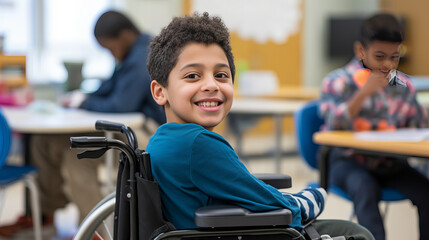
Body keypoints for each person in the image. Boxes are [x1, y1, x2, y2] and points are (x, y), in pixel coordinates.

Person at [145, 12, 374, 240]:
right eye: (193, 75)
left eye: (221, 75)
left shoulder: (161, 139)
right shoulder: (197, 144)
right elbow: (272, 205)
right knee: (357, 233)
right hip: (237, 233)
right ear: (159, 91)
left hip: (218, 228)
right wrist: (303, 203)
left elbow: (241, 188)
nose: (211, 85)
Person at [0, 10, 165, 238]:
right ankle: (45, 215)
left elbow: (121, 104)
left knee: (77, 157)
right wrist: (84, 98)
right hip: (122, 125)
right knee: (42, 141)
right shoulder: (130, 54)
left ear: (125, 35)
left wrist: (85, 102)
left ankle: (98, 231)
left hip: (146, 131)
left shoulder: (142, 57)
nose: (110, 53)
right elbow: (109, 89)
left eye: (109, 47)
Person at [319, 13, 429, 240]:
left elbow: (418, 125)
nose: (388, 65)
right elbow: (331, 125)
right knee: (365, 189)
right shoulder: (338, 81)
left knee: (426, 192)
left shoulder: (402, 84)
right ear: (361, 50)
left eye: (394, 57)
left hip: (390, 162)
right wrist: (363, 94)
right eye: (380, 56)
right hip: (348, 161)